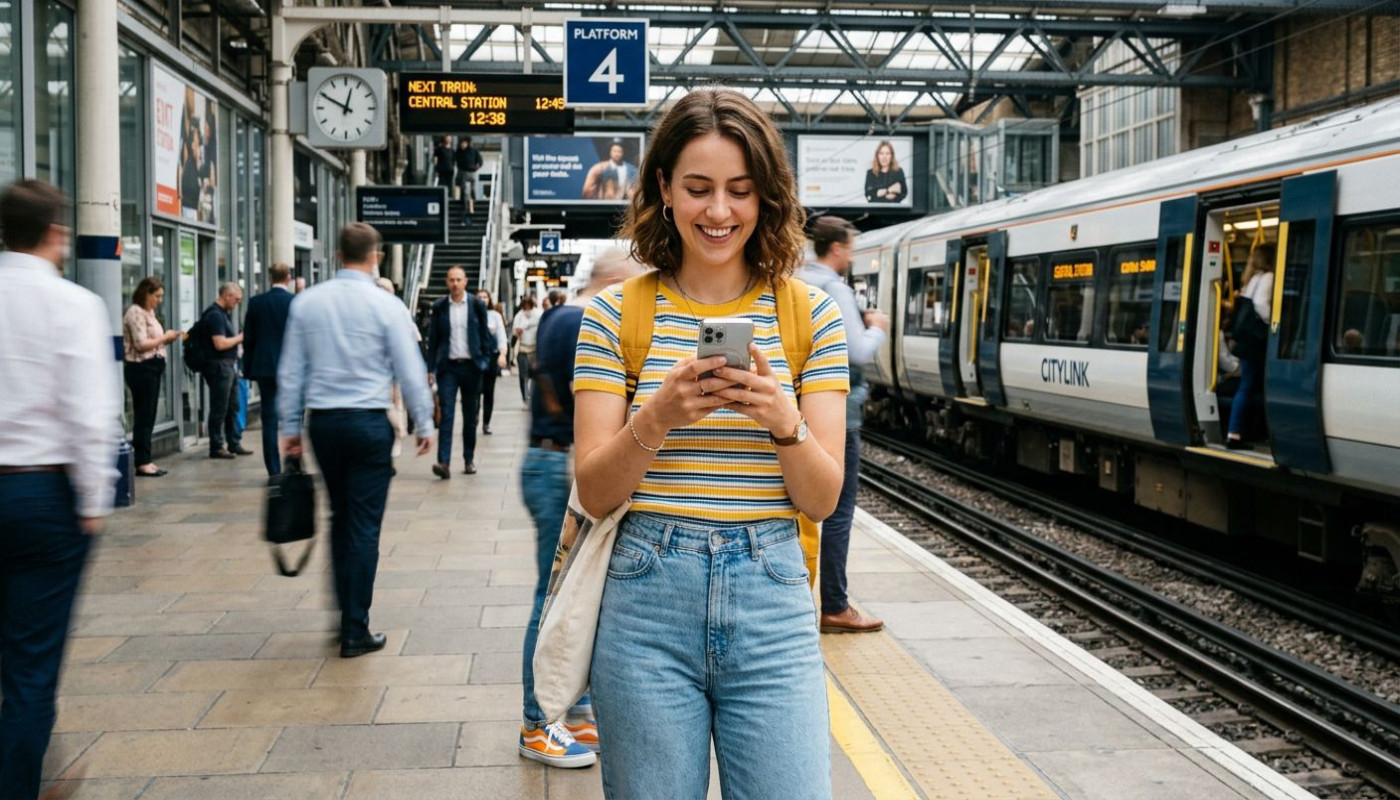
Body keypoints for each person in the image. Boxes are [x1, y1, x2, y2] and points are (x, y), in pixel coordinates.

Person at [573, 88, 849, 799]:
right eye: (698, 189)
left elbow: (821, 500)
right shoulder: (613, 316)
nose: (719, 212)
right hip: (643, 601)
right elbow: (595, 491)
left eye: (740, 191)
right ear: (663, 188)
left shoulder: (810, 314)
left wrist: (784, 424)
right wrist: (656, 418)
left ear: (767, 198)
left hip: (773, 595)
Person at [0, 179, 121, 798]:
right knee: (30, 665)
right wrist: (95, 502)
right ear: (54, 232)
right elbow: (89, 415)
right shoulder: (73, 304)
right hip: (42, 497)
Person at [278, 222, 436, 658]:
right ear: (375, 257)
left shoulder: (307, 303)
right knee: (364, 525)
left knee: (339, 516)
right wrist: (424, 422)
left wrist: (289, 429)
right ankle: (356, 626)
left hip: (324, 425)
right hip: (369, 424)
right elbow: (409, 367)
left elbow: (291, 373)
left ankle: (341, 615)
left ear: (336, 256)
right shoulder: (385, 305)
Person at [518, 248, 644, 768]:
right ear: (617, 284)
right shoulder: (588, 320)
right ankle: (537, 721)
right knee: (555, 597)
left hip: (546, 464)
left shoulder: (558, 316)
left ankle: (572, 711)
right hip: (562, 468)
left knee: (566, 589)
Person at [797, 215, 889, 634]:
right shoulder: (834, 289)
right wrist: (877, 330)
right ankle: (833, 604)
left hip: (795, 408)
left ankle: (798, 597)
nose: (850, 256)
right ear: (836, 249)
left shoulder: (795, 282)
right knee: (836, 509)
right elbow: (856, 354)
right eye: (849, 248)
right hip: (839, 412)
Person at [426, 266, 495, 478]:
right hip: (448, 367)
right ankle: (443, 462)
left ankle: (468, 459)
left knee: (469, 416)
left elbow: (485, 336)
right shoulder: (439, 306)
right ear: (447, 282)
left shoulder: (475, 305)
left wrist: (483, 361)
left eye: (458, 280)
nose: (455, 284)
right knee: (446, 414)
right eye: (451, 280)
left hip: (471, 367)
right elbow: (433, 340)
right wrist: (431, 368)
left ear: (465, 282)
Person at [123, 276, 182, 477]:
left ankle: (146, 459)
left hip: (153, 366)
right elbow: (140, 344)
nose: (159, 300)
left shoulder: (150, 312)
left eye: (161, 296)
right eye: (157, 296)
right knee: (144, 414)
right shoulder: (136, 313)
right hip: (141, 367)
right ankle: (142, 461)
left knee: (149, 414)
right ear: (146, 293)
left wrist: (165, 340)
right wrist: (165, 337)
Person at [242, 261, 295, 476]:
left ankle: (274, 470)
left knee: (269, 419)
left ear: (269, 278)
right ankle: (293, 465)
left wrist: (248, 369)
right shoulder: (296, 302)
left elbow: (249, 339)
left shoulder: (256, 303)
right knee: (292, 417)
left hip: (265, 368)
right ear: (288, 278)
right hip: (291, 369)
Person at [1226, 247, 1275, 449]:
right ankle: (1236, 433)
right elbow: (1261, 305)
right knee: (1249, 387)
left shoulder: (1252, 279)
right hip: (1257, 341)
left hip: (1246, 340)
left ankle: (1235, 432)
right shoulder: (1269, 277)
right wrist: (1274, 322)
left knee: (1246, 385)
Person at [202, 282, 251, 460]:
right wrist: (240, 338)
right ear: (227, 296)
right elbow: (220, 343)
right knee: (220, 407)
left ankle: (233, 443)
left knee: (233, 406)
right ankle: (216, 446)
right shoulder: (215, 315)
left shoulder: (224, 314)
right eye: (236, 300)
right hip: (219, 366)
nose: (236, 304)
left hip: (228, 365)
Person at [477, 289, 510, 435]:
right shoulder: (471, 314)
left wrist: (502, 354)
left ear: (490, 300)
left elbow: (501, 335)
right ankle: (475, 417)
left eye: (485, 297)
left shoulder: (495, 316)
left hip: (491, 356)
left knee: (489, 391)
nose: (483, 299)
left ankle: (486, 423)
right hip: (476, 358)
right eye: (480, 297)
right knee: (475, 390)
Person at [512, 295, 542, 404]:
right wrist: (517, 332)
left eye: (528, 306)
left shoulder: (538, 314)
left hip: (535, 349)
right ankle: (525, 397)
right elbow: (514, 332)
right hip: (522, 349)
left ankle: (534, 396)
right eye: (525, 306)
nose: (527, 309)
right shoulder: (519, 316)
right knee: (523, 375)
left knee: (535, 374)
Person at [864, 140, 906, 204]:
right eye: (881, 153)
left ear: (892, 156)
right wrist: (889, 191)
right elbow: (869, 195)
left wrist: (880, 193)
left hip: (894, 210)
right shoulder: (870, 173)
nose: (884, 156)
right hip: (875, 211)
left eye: (887, 153)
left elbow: (903, 192)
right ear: (877, 155)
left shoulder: (898, 172)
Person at [454, 137, 484, 219]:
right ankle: (466, 204)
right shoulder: (459, 151)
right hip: (464, 172)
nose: (462, 145)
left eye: (464, 143)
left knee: (473, 189)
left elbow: (480, 160)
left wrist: (477, 166)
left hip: (472, 172)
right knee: (465, 190)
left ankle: (473, 201)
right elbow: (456, 160)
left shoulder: (474, 151)